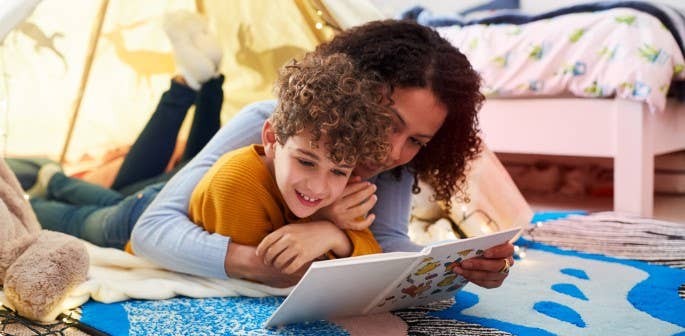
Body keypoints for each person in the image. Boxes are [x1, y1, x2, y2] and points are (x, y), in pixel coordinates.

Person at [131, 19, 515, 289]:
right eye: (390, 121)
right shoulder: (272, 122)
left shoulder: (399, 166)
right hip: (142, 207)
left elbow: (388, 243)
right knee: (80, 207)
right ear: (358, 86)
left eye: (417, 141)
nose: (393, 151)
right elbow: (151, 230)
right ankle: (190, 85)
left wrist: (456, 266)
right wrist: (264, 266)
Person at [175, 52, 391, 274]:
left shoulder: (333, 190)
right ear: (271, 139)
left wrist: (333, 235)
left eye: (338, 171)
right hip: (145, 202)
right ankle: (188, 86)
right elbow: (279, 272)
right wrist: (322, 220)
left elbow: (373, 267)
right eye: (306, 162)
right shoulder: (236, 182)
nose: (317, 187)